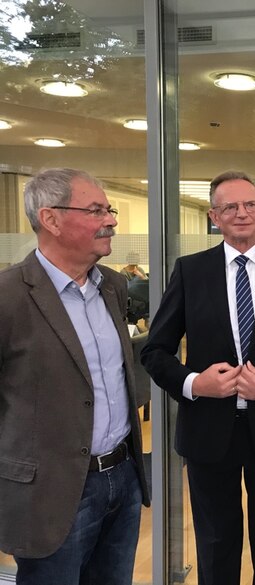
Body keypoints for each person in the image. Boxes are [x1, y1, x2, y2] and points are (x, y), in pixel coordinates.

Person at [141, 170, 255, 585]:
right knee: (215, 541)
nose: (241, 213)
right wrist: (195, 384)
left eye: (250, 205)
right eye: (230, 207)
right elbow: (155, 351)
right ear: (214, 216)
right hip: (208, 430)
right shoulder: (190, 271)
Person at [0, 168, 149, 585]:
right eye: (96, 210)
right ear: (50, 219)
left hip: (122, 478)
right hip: (51, 493)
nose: (112, 220)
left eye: (109, 210)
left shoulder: (113, 286)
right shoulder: (8, 297)